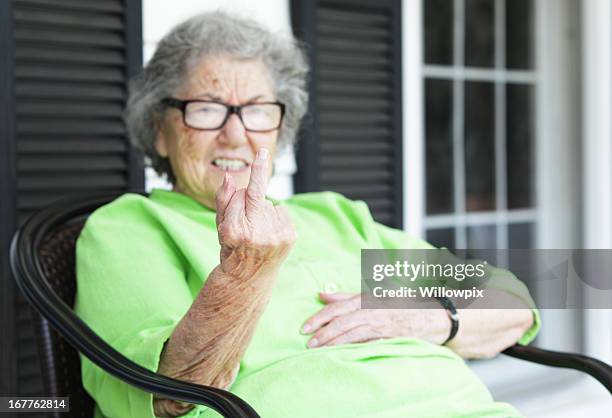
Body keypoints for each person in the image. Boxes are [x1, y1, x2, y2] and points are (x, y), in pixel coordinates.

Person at [75, 11, 540, 418]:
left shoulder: (334, 217)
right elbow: (164, 395)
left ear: (280, 130)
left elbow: (513, 300)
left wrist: (426, 318)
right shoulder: (133, 227)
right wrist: (242, 276)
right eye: (206, 109)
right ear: (160, 131)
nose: (235, 135)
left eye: (258, 111)